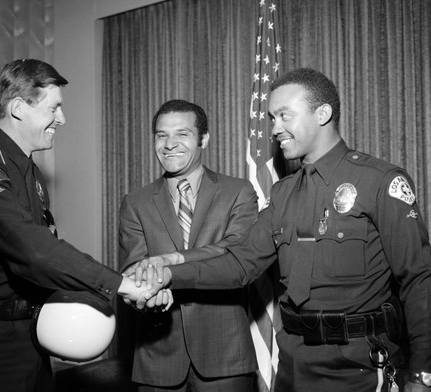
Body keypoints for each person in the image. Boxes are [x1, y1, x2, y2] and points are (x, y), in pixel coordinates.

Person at [138, 69, 431, 392]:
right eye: (271, 118)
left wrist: (422, 373)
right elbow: (240, 264)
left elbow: (419, 280)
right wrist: (170, 274)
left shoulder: (379, 181)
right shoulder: (283, 193)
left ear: (322, 114)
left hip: (358, 367)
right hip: (293, 366)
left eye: (284, 116)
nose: (274, 128)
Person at [0, 59, 158, 392]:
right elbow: (34, 251)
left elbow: (45, 250)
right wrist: (122, 284)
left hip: (32, 334)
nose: (62, 119)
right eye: (54, 108)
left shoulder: (28, 172)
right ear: (18, 108)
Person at [119, 99, 259, 391]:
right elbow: (135, 266)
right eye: (161, 135)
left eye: (182, 134)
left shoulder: (238, 192)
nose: (169, 144)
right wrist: (143, 295)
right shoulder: (135, 202)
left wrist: (172, 260)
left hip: (225, 356)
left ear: (203, 139)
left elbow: (235, 252)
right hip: (157, 356)